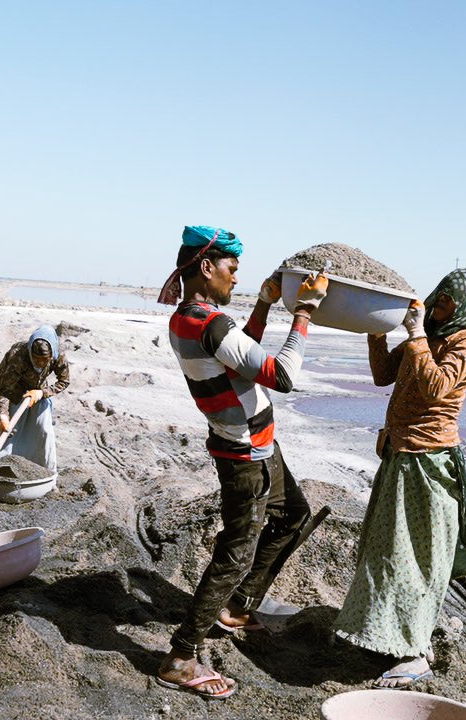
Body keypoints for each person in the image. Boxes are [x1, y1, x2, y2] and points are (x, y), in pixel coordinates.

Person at [153, 225, 328, 700]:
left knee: (294, 516)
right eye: (232, 270)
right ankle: (181, 656)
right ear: (207, 268)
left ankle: (236, 608)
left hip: (257, 443)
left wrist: (266, 305)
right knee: (235, 552)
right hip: (244, 453)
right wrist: (304, 312)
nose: (236, 279)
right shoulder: (206, 322)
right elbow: (281, 375)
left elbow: (239, 355)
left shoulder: (193, 319)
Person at [333, 268, 466, 688]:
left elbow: (434, 389)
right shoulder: (427, 336)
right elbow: (382, 374)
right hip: (399, 456)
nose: (438, 306)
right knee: (386, 550)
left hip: (428, 462)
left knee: (418, 558)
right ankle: (388, 634)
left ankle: (414, 652)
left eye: (448, 303)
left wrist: (417, 335)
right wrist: (376, 329)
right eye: (439, 297)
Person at [0, 325, 70, 475]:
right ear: (30, 352)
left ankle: (46, 473)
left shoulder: (58, 355)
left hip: (37, 390)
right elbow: (6, 390)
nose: (40, 363)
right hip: (9, 386)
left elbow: (64, 381)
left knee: (44, 428)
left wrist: (42, 393)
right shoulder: (19, 356)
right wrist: (3, 416)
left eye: (44, 360)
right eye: (36, 359)